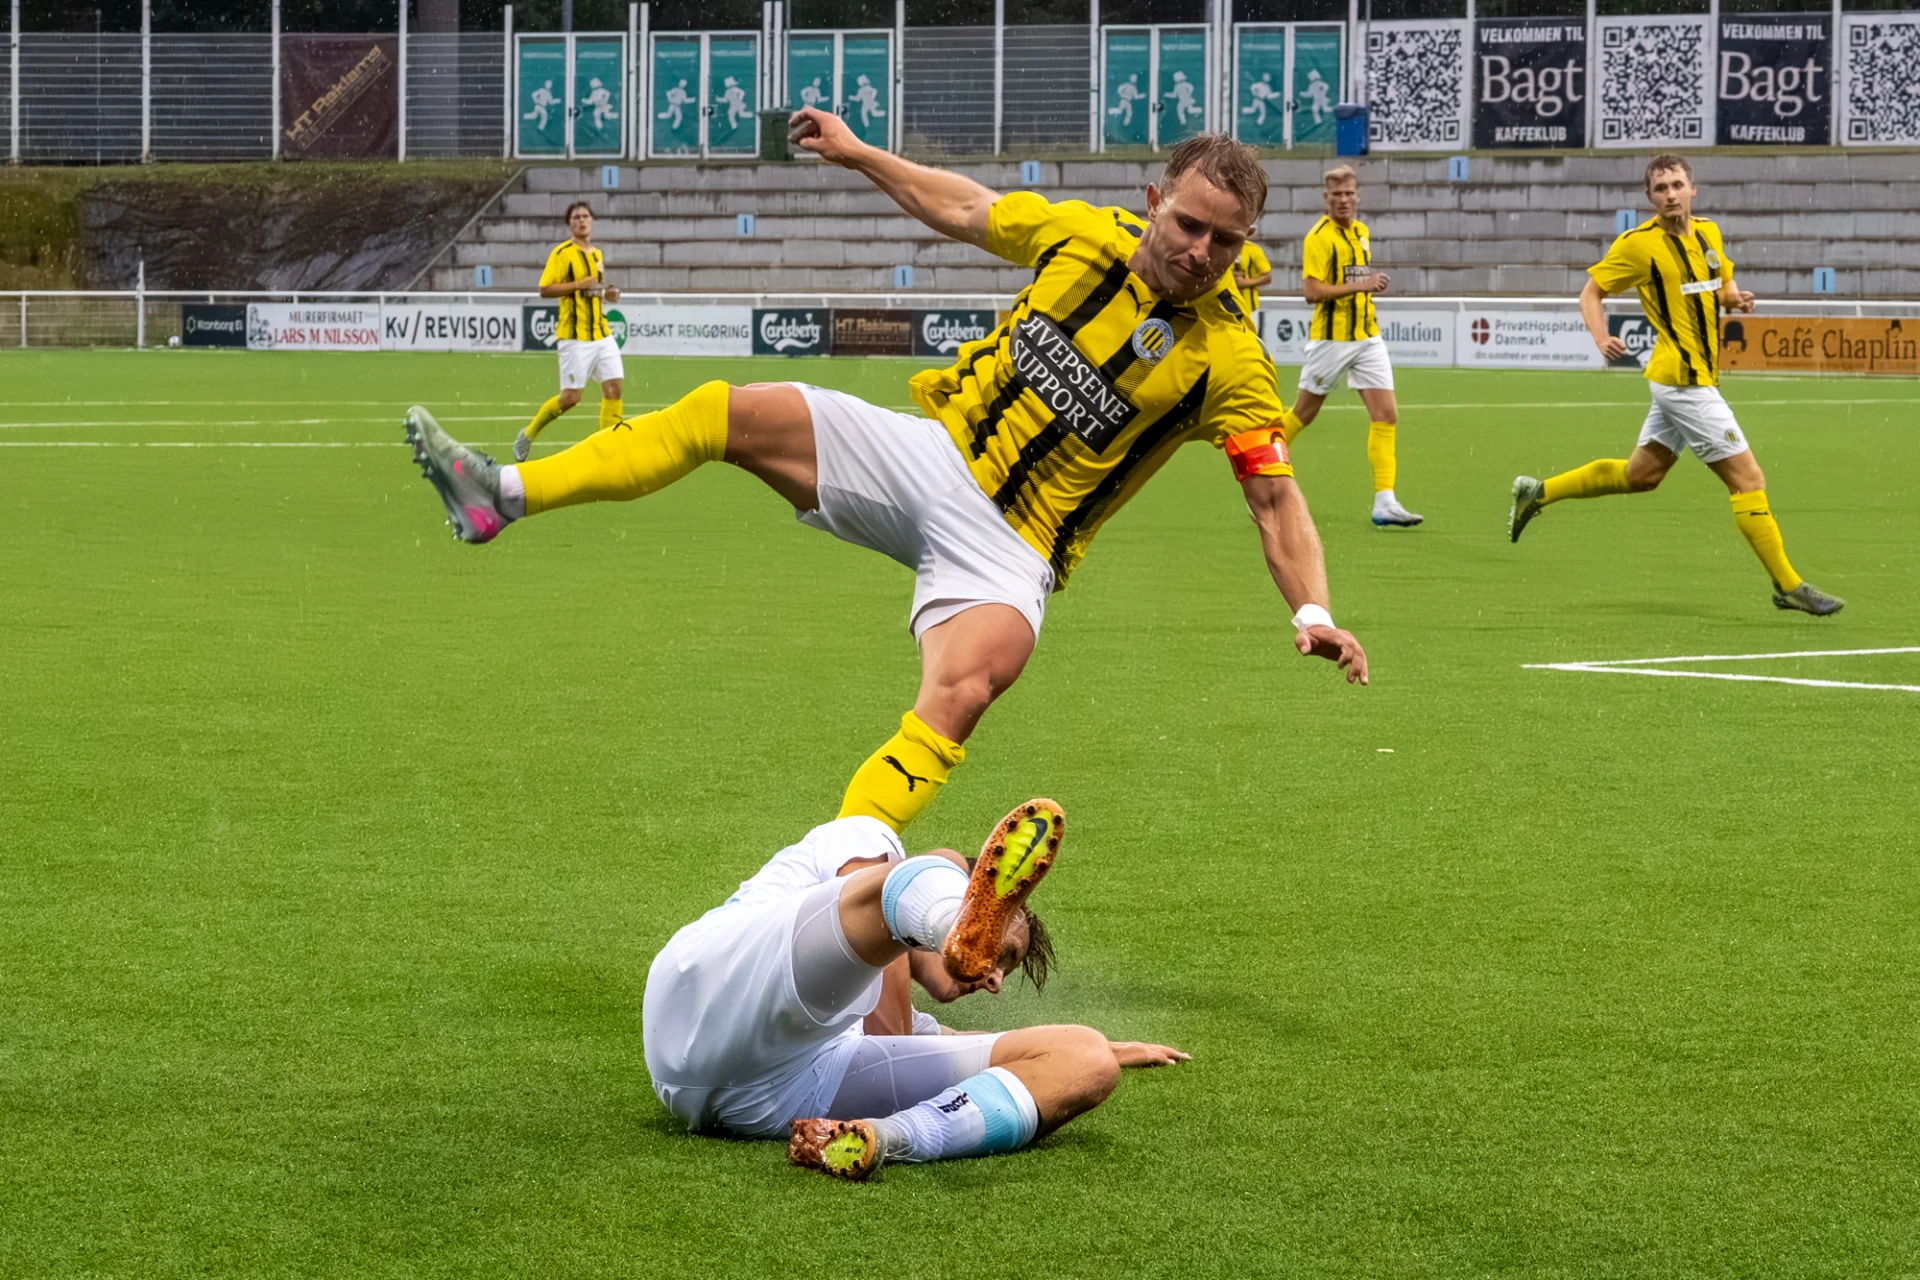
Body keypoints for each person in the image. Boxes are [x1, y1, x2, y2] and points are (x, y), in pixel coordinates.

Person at [404, 119, 1368, 835]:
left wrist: (1313, 614)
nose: (1200, 252)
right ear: (1156, 201)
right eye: (1191, 224)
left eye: (1226, 242)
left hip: (1014, 547)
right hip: (928, 456)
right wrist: (863, 152)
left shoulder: (1232, 361)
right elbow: (959, 205)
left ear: (1247, 247)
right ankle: (504, 495)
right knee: (718, 412)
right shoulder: (1080, 233)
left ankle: (839, 870)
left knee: (962, 692)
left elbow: (1274, 499)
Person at [642, 798, 1187, 1181]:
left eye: (1002, 965)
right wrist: (942, 929)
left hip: (762, 1101)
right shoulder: (864, 838)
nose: (993, 976)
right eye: (999, 949)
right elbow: (890, 1016)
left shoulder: (895, 1013)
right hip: (713, 988)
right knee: (933, 864)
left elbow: (927, 1039)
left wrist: (1103, 1048)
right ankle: (951, 917)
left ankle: (889, 1138)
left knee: (1085, 1058)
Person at [1509, 154, 1843, 616]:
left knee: (1640, 476)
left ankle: (1538, 492)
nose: (1670, 194)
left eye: (1676, 185)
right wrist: (1600, 335)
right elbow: (1590, 292)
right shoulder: (1637, 245)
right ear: (1649, 197)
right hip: (1684, 384)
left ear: (1692, 189)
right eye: (1660, 188)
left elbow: (1721, 277)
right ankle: (1788, 585)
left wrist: (1734, 297)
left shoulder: (1708, 232)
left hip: (1687, 379)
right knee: (1748, 481)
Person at [1277, 166, 1422, 529]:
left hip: (1367, 337)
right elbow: (1311, 291)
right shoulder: (1318, 238)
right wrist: (1362, 286)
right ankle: (1257, 468)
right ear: (1326, 198)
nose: (1344, 201)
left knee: (1386, 414)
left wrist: (1371, 285)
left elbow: (1355, 280)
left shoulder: (1361, 232)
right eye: (1336, 195)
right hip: (1332, 339)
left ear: (1357, 196)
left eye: (1349, 194)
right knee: (1303, 414)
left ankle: (1385, 502)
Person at [514, 201, 623, 464]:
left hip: (602, 333)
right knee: (570, 398)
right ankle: (528, 434)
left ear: (592, 221)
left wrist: (607, 294)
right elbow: (544, 289)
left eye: (586, 216)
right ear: (570, 224)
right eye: (576, 217)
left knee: (614, 389)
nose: (582, 220)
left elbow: (592, 289)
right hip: (574, 338)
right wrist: (578, 285)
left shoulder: (597, 254)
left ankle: (607, 452)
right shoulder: (562, 253)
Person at [1234, 238, 1273, 312]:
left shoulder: (1252, 249)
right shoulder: (1218, 247)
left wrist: (1245, 282)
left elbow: (1267, 277)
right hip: (1220, 306)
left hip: (1247, 307)